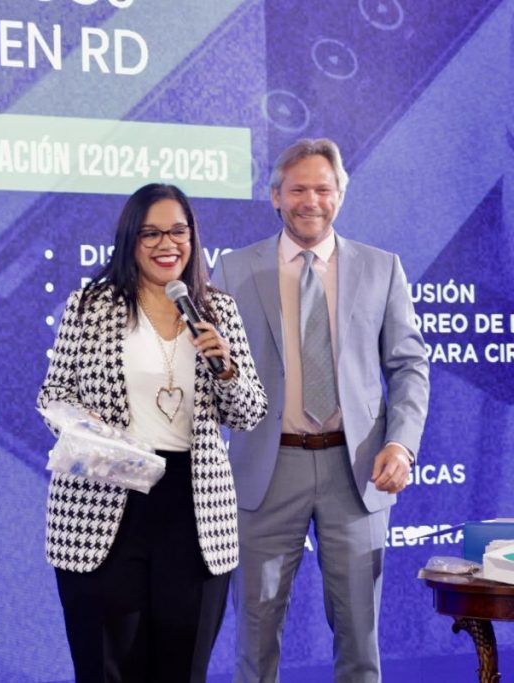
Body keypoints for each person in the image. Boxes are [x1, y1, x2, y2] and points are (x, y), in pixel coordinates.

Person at [211, 138, 430, 683]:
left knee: (359, 634)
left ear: (340, 195)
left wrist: (400, 443)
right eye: (298, 189)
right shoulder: (233, 271)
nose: (311, 201)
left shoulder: (382, 268)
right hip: (265, 469)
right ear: (275, 196)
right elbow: (210, 375)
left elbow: (409, 366)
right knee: (255, 634)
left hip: (355, 469)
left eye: (323, 189)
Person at [37, 183, 268, 682]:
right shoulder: (90, 306)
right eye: (152, 233)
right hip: (104, 498)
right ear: (131, 240)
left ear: (193, 238)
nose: (168, 244)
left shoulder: (218, 310)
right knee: (105, 669)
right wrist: (93, 436)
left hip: (193, 508)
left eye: (178, 232)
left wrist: (227, 369)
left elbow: (249, 413)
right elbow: (53, 394)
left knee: (181, 669)